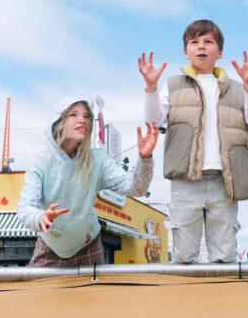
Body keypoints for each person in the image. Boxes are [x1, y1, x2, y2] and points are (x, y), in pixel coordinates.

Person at [139, 19, 248, 263]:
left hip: (224, 179)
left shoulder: (238, 88)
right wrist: (151, 87)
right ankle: (186, 300)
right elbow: (155, 119)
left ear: (220, 52)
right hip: (185, 180)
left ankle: (221, 300)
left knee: (225, 254)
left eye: (208, 41)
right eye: (194, 42)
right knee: (183, 253)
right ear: (186, 52)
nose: (201, 47)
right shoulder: (173, 84)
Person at [17, 97, 158, 267]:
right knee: (37, 292)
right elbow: (25, 208)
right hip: (50, 246)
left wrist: (145, 158)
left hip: (89, 245)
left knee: (93, 294)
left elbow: (135, 188)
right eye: (73, 114)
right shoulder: (41, 162)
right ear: (58, 121)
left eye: (86, 116)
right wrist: (40, 217)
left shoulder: (96, 160)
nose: (82, 120)